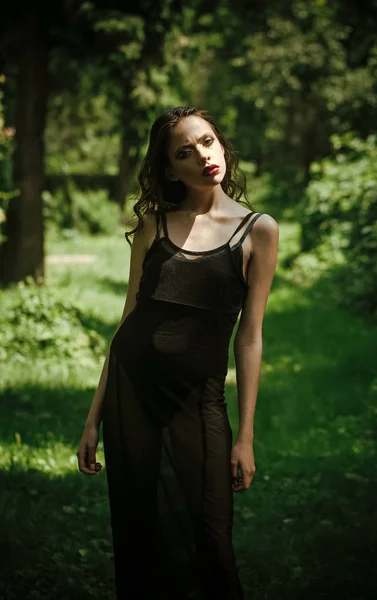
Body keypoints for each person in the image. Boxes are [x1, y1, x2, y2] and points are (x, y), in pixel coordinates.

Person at [76, 106, 279, 600]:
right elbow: (128, 319)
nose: (203, 156)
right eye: (185, 152)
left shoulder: (258, 230)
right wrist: (93, 417)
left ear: (222, 144)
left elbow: (249, 336)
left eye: (208, 142)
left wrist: (246, 437)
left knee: (211, 536)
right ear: (170, 169)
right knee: (140, 531)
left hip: (199, 398)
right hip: (133, 393)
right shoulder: (153, 225)